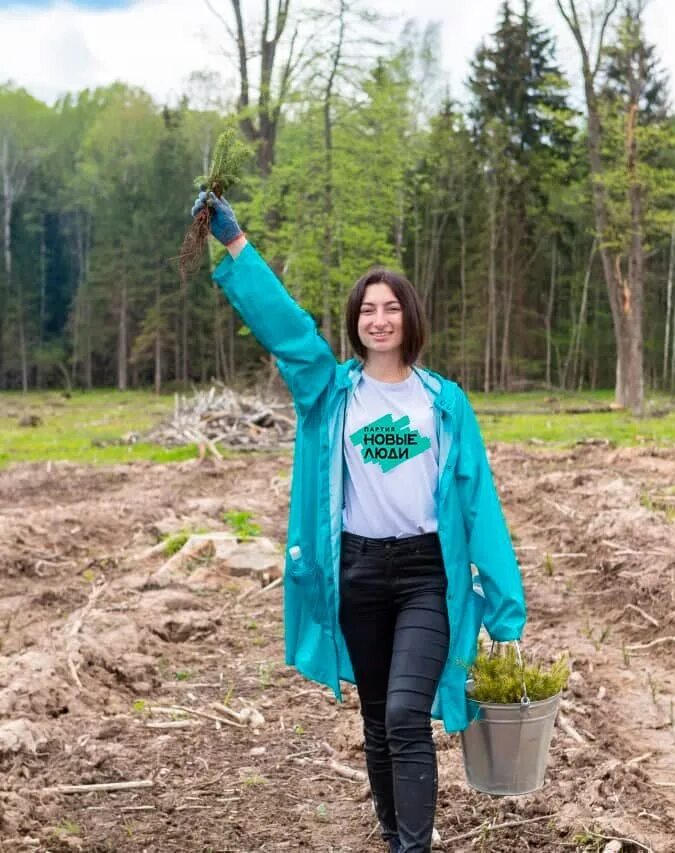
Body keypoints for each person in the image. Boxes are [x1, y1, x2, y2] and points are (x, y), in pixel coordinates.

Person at [190, 191, 526, 853]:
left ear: (409, 318)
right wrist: (236, 245)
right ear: (356, 321)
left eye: (390, 307)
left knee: (407, 713)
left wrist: (505, 609)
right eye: (368, 309)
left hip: (427, 574)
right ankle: (392, 830)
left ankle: (411, 845)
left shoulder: (443, 402)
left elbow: (479, 501)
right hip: (358, 571)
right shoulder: (330, 391)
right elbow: (283, 326)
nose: (378, 319)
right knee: (378, 718)